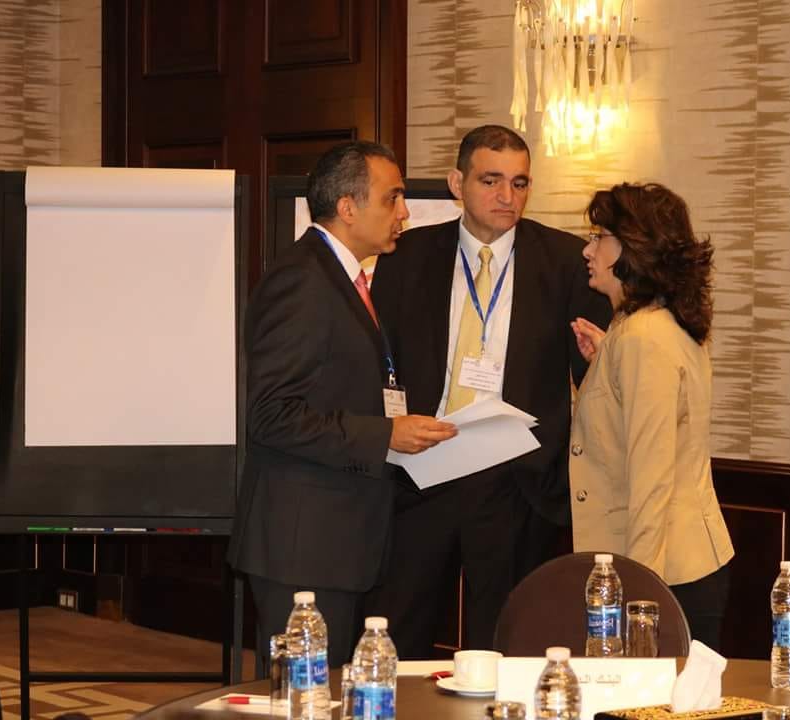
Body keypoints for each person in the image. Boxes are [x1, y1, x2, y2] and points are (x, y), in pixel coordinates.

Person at [365, 125, 613, 657]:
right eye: (491, 180)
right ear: (457, 184)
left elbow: (592, 378)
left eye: (519, 183)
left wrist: (606, 361)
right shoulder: (406, 255)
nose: (507, 196)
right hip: (424, 469)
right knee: (399, 633)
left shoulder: (565, 260)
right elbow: (379, 360)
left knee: (504, 641)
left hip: (516, 479)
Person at [228, 141, 457, 667]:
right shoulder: (302, 280)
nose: (405, 212)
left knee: (326, 694)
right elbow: (270, 414)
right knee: (303, 695)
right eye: (392, 198)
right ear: (348, 207)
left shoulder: (344, 277)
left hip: (336, 539)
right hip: (303, 544)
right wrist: (386, 435)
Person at [569, 182, 735, 651]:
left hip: (666, 574)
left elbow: (652, 477)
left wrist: (637, 597)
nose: (588, 250)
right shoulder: (645, 326)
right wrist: (608, 362)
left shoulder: (642, 338)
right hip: (674, 565)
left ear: (632, 247)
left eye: (599, 237)